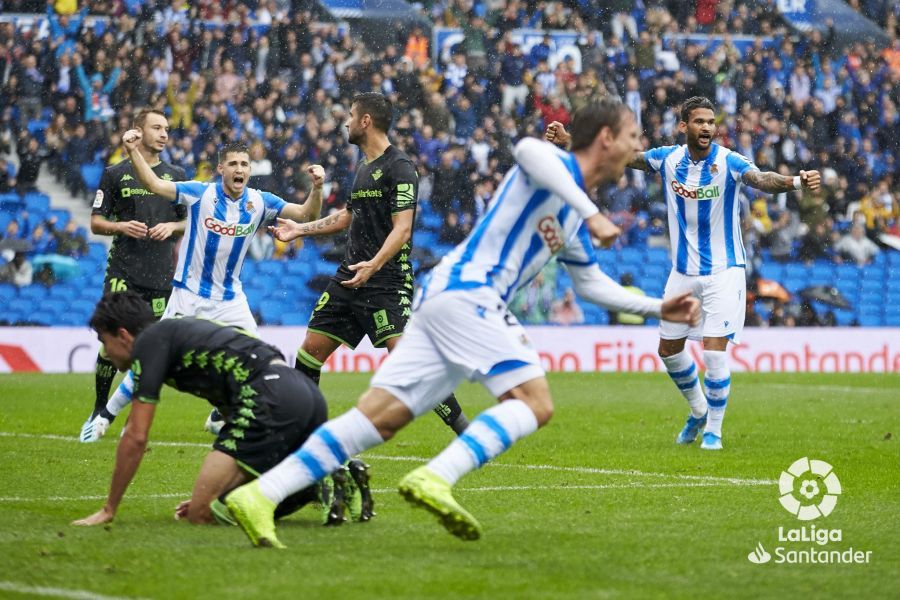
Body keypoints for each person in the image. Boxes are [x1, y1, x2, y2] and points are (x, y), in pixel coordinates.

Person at [224, 98, 701, 548]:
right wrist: (591, 211)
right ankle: (435, 477)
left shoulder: (573, 212)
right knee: (534, 402)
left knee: (378, 418)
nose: (639, 147)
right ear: (605, 138)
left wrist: (659, 309)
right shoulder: (552, 167)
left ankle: (259, 494)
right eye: (633, 136)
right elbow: (528, 149)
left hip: (445, 298)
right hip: (471, 295)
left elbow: (593, 285)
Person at [546, 96, 821, 450]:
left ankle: (714, 433)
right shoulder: (668, 158)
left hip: (725, 270)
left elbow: (762, 178)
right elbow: (625, 157)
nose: (707, 127)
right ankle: (698, 410)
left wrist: (794, 182)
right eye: (699, 122)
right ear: (684, 126)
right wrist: (570, 141)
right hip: (683, 273)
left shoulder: (728, 161)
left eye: (711, 122)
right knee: (668, 350)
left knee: (713, 352)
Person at [80, 136, 325, 443]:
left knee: (261, 364)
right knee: (155, 357)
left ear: (250, 170)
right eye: (233, 163)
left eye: (244, 164)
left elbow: (306, 215)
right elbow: (156, 184)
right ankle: (106, 414)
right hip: (189, 296)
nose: (239, 169)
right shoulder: (200, 193)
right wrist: (131, 151)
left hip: (230, 299)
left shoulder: (259, 202)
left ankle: (221, 415)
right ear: (221, 168)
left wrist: (316, 189)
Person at [71, 292, 371, 528]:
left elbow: (136, 436)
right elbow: (231, 401)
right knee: (220, 501)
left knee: (202, 513)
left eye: (104, 341)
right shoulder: (173, 336)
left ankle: (313, 484)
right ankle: (318, 474)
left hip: (270, 397)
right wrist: (218, 490)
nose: (106, 353)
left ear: (123, 335)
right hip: (299, 393)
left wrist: (109, 508)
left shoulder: (150, 344)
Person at [270, 92, 469, 436]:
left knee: (407, 362)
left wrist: (374, 264)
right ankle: (302, 430)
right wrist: (301, 228)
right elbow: (349, 215)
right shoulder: (363, 167)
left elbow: (402, 228)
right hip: (350, 277)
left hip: (386, 280)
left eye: (350, 115)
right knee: (310, 351)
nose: (345, 122)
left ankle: (466, 430)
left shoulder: (401, 168)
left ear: (366, 121)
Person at [86, 108, 187, 428]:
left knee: (149, 350)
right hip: (123, 272)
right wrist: (121, 227)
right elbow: (95, 223)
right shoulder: (115, 173)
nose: (164, 134)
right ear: (138, 131)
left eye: (167, 129)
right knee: (109, 341)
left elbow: (189, 222)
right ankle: (100, 408)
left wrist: (172, 227)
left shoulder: (176, 174)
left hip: (159, 276)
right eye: (157, 127)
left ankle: (133, 417)